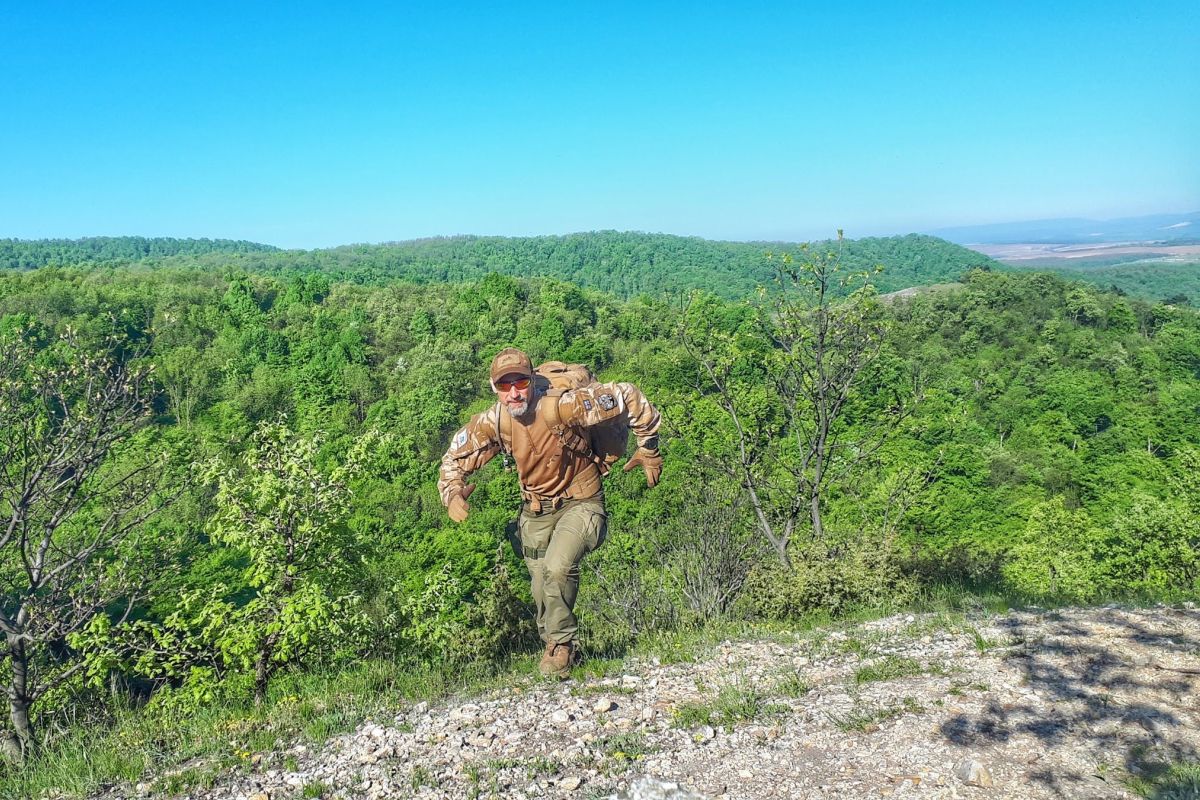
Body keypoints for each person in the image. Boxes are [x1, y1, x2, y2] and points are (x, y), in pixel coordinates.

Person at [438, 347, 662, 679]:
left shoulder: (562, 407)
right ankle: (553, 641)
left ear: (532, 381)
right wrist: (452, 492)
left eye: (521, 382)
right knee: (540, 588)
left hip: (583, 501)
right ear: (493, 387)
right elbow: (453, 460)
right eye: (505, 385)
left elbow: (626, 395)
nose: (514, 392)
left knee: (558, 569)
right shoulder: (494, 421)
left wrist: (649, 448)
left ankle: (560, 648)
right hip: (535, 511)